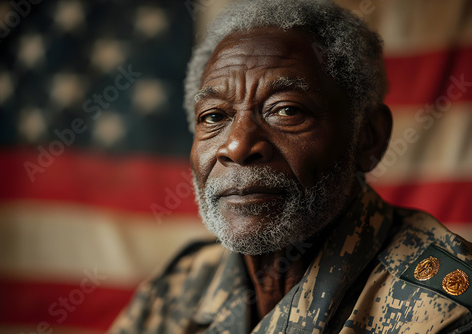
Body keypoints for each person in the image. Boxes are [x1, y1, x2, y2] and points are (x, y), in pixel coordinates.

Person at [109, 0, 472, 332]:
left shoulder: (445, 312)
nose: (237, 146)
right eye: (214, 116)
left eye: (286, 110)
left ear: (368, 137)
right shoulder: (175, 289)